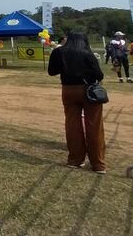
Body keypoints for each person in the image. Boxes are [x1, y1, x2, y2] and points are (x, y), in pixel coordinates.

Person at [47, 32, 106, 174]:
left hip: (68, 90)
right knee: (94, 126)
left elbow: (51, 71)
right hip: (88, 91)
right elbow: (99, 75)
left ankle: (75, 160)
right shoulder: (87, 52)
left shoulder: (58, 52)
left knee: (72, 125)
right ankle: (98, 164)